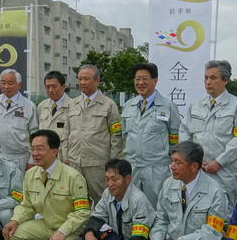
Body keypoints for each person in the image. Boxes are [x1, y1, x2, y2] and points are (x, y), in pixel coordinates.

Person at [1, 130, 91, 240]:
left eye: (40, 148)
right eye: (33, 148)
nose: (35, 153)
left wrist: (62, 232)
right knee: (12, 235)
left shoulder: (73, 177)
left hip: (70, 228)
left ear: (54, 151)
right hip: (47, 224)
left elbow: (82, 212)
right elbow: (27, 205)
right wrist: (15, 220)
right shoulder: (31, 174)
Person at [179, 60, 237, 211]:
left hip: (223, 172)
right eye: (206, 78)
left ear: (225, 80)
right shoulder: (196, 105)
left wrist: (219, 162)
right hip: (197, 170)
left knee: (223, 215)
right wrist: (192, 158)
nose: (208, 82)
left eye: (213, 78)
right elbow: (184, 132)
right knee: (195, 211)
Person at [81, 158, 155, 240]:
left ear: (127, 179)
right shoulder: (108, 193)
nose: (110, 184)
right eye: (107, 179)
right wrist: (89, 234)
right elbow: (96, 218)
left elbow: (139, 239)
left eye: (114, 179)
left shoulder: (139, 200)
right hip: (119, 239)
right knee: (86, 239)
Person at [121, 63, 181, 207]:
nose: (140, 83)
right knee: (131, 206)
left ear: (155, 80)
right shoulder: (129, 106)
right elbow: (124, 136)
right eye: (137, 79)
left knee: (157, 208)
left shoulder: (168, 106)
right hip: (132, 167)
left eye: (144, 79)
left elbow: (175, 140)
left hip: (157, 170)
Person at [62, 65, 123, 204]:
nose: (82, 82)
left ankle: (105, 225)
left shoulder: (109, 105)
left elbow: (116, 136)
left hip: (98, 164)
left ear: (97, 81)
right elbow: (66, 134)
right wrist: (65, 156)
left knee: (102, 200)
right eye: (80, 79)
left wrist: (113, 163)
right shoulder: (72, 104)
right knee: (76, 200)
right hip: (75, 163)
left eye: (86, 79)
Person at [0, 69, 38, 171]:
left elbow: (35, 135)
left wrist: (32, 161)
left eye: (10, 83)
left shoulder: (29, 106)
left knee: (17, 187)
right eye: (3, 83)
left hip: (19, 159)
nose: (6, 87)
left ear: (19, 85)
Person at [37, 70, 70, 159]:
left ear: (63, 87)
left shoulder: (73, 106)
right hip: (44, 157)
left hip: (63, 157)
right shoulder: (42, 106)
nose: (51, 90)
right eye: (47, 87)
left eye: (54, 86)